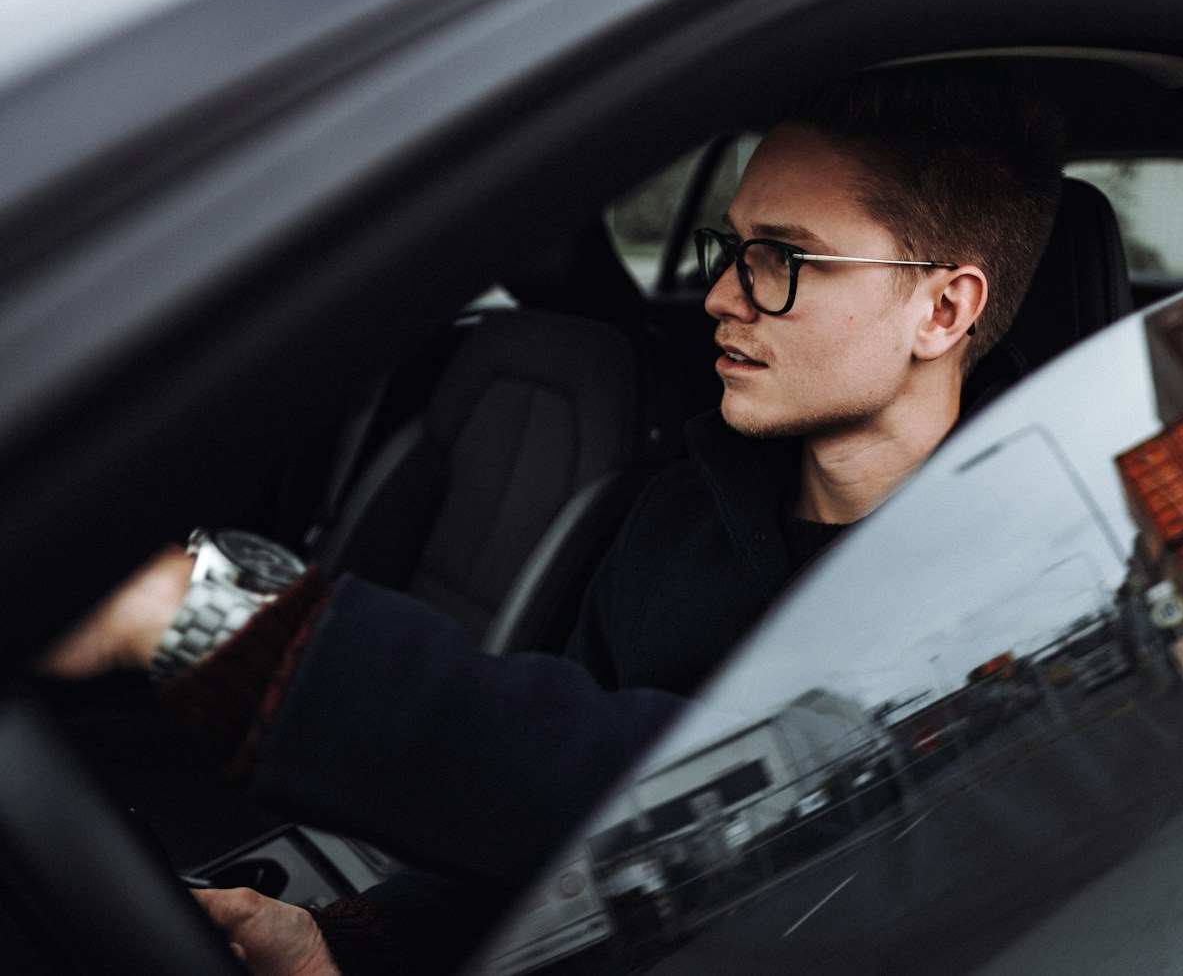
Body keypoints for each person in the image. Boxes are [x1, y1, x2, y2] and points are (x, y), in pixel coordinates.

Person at [42, 59, 1069, 974]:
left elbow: (750, 805)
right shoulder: (680, 514)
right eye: (729, 247)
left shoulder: (1045, 578)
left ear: (942, 310)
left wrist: (208, 618)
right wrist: (356, 943)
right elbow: (564, 851)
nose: (720, 295)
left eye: (782, 258)